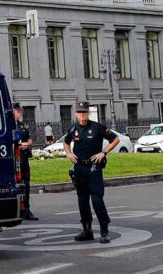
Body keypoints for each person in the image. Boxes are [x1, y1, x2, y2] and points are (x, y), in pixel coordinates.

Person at [63, 100, 120, 244]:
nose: (82, 115)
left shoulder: (97, 127)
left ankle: (104, 231)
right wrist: (68, 153)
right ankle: (87, 230)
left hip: (94, 167)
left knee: (96, 200)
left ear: (88, 113)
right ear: (76, 114)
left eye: (84, 112)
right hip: (79, 168)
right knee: (82, 200)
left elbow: (115, 139)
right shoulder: (73, 128)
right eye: (80, 112)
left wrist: (103, 153)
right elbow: (66, 141)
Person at [13, 104, 38, 221]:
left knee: (26, 185)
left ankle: (26, 210)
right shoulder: (8, 126)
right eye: (18, 111)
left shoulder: (22, 126)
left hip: (23, 159)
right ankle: (16, 209)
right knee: (16, 185)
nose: (20, 113)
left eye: (20, 111)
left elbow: (29, 139)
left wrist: (27, 144)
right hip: (14, 160)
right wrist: (18, 145)